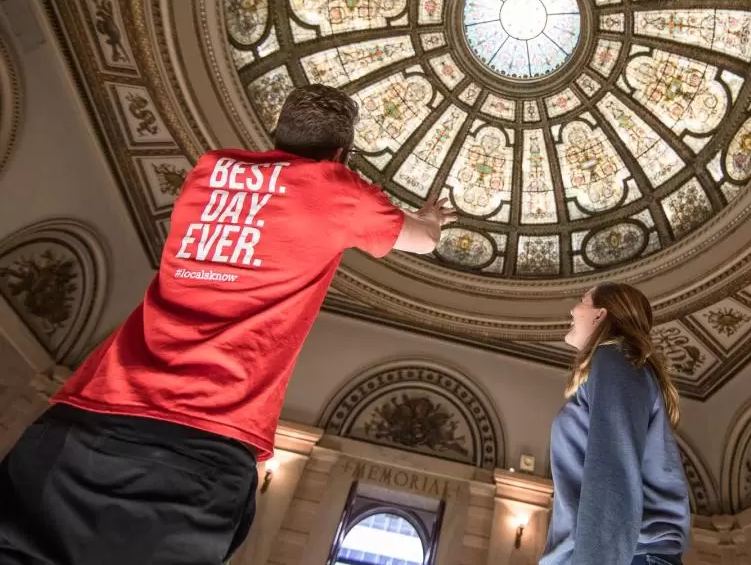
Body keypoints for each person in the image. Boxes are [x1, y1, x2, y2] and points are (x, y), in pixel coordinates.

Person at [0, 85, 455, 564]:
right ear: (341, 155)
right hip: (200, 442)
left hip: (87, 416)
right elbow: (423, 240)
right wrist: (430, 216)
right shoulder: (335, 189)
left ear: (275, 135)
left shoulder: (210, 169)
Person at [540, 282, 691, 565]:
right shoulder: (617, 364)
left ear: (600, 315)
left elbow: (613, 472)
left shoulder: (614, 358)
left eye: (582, 301)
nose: (572, 310)